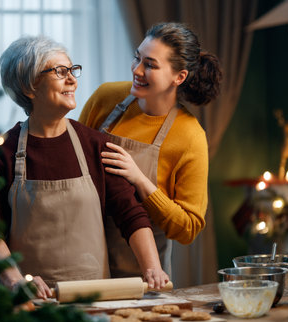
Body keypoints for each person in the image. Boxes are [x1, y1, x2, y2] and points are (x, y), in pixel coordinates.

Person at [0, 35, 169, 299]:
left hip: (93, 298)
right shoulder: (1, 153)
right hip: (29, 303)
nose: (72, 80)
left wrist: (152, 268)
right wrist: (15, 280)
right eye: (60, 71)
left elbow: (130, 214)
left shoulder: (96, 145)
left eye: (72, 70)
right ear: (29, 86)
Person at [79, 22, 222, 277]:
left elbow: (188, 228)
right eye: (137, 58)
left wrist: (140, 180)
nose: (137, 70)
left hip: (142, 277)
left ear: (179, 77)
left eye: (150, 65)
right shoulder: (106, 97)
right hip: (82, 265)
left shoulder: (190, 136)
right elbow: (73, 157)